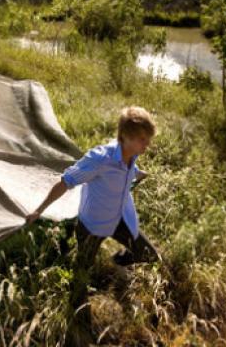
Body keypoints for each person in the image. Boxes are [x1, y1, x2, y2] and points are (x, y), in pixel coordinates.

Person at [25, 106, 161, 342]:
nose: (146, 146)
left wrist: (138, 174)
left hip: (119, 219)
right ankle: (78, 327)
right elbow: (66, 181)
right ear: (125, 137)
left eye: (147, 140)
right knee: (80, 280)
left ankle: (117, 261)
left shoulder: (132, 154)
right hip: (92, 227)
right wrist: (39, 209)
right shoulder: (100, 158)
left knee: (150, 255)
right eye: (142, 140)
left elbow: (130, 168)